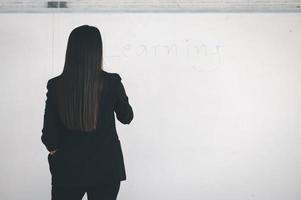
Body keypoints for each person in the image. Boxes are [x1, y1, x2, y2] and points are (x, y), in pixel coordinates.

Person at [41, 25, 134, 200]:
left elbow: (49, 135)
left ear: (71, 51)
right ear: (97, 51)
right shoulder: (112, 82)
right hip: (106, 169)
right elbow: (126, 117)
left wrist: (55, 152)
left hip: (67, 169)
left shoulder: (55, 85)